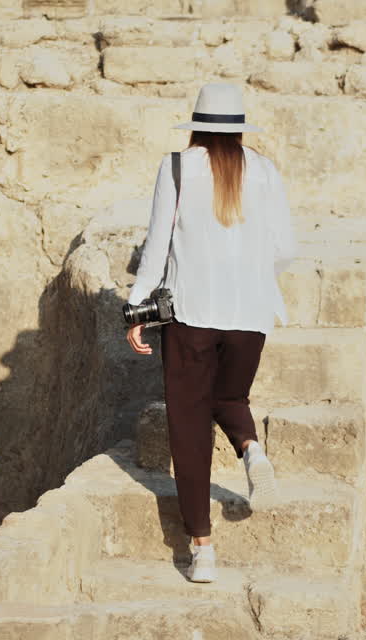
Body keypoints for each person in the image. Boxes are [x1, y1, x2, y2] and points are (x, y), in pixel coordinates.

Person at [125, 82, 297, 584]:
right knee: (229, 396)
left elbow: (157, 245)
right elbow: (285, 248)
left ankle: (202, 550)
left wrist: (136, 309)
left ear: (196, 124)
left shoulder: (177, 167)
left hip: (193, 313)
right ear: (240, 127)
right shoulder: (265, 170)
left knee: (189, 428)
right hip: (253, 313)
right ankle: (251, 450)